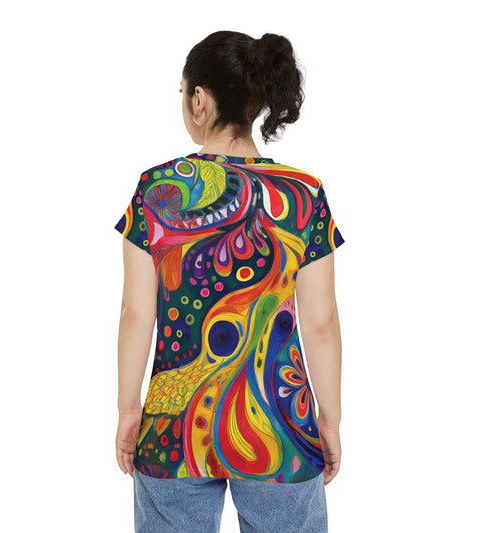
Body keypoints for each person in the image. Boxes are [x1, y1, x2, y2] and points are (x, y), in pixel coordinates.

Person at [114, 30, 345, 533]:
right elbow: (321, 323)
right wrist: (329, 419)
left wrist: (129, 410)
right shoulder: (304, 194)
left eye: (182, 92)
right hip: (282, 428)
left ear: (199, 99)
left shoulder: (157, 189)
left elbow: (136, 314)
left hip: (173, 430)